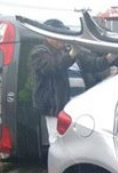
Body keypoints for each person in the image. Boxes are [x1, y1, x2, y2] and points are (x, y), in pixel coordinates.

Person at [30, 19, 76, 147]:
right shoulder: (39, 52)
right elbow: (52, 67)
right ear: (50, 37)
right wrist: (71, 55)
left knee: (69, 142)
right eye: (60, 36)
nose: (63, 40)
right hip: (53, 107)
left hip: (66, 107)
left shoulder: (62, 51)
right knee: (57, 142)